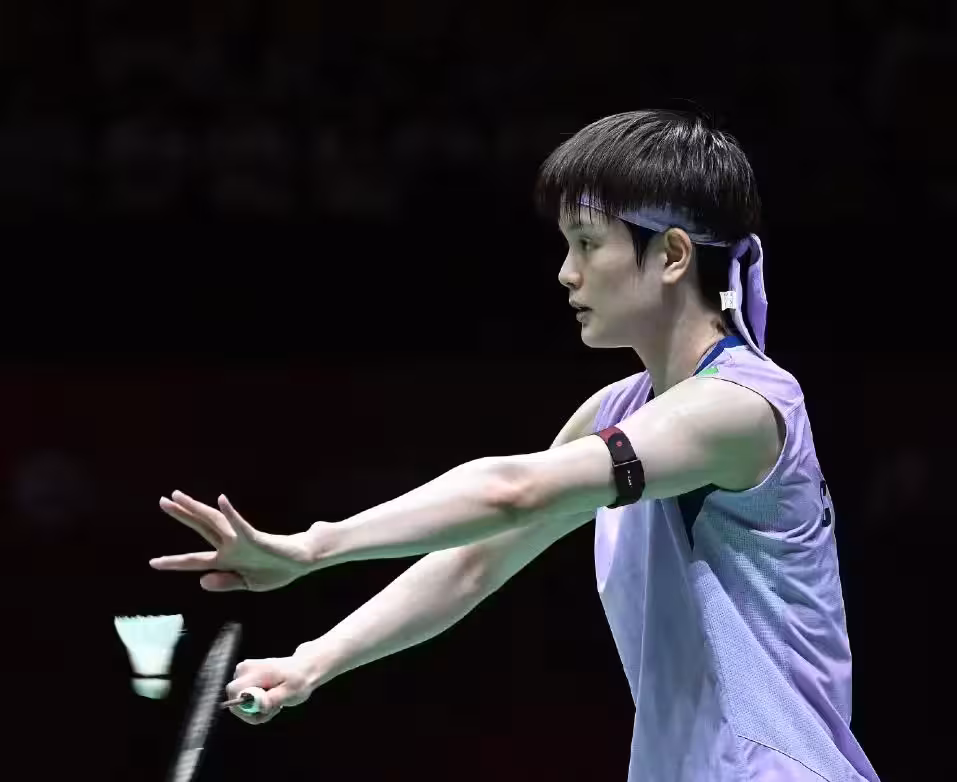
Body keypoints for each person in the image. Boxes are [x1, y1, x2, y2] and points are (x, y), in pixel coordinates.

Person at [150, 109, 879, 782]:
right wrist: (313, 662)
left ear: (672, 255)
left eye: (587, 243)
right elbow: (476, 560)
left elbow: (514, 492)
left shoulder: (742, 407)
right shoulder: (619, 412)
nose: (567, 272)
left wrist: (312, 548)